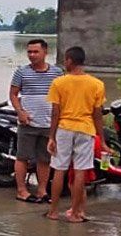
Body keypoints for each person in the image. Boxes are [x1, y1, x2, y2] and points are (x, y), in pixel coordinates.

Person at [46, 47, 105, 223]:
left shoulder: (59, 83)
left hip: (64, 128)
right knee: (80, 171)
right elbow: (97, 114)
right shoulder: (97, 84)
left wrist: (51, 136)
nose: (65, 63)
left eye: (65, 60)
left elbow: (55, 112)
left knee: (59, 169)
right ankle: (75, 212)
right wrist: (100, 137)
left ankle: (53, 211)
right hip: (86, 130)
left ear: (70, 60)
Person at [9, 38, 63, 203]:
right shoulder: (21, 72)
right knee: (22, 157)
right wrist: (20, 112)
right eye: (29, 52)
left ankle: (41, 190)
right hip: (28, 123)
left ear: (45, 52)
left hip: (49, 124)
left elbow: (62, 97)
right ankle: (21, 190)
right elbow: (13, 94)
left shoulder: (57, 73)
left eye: (35, 52)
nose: (32, 55)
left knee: (44, 159)